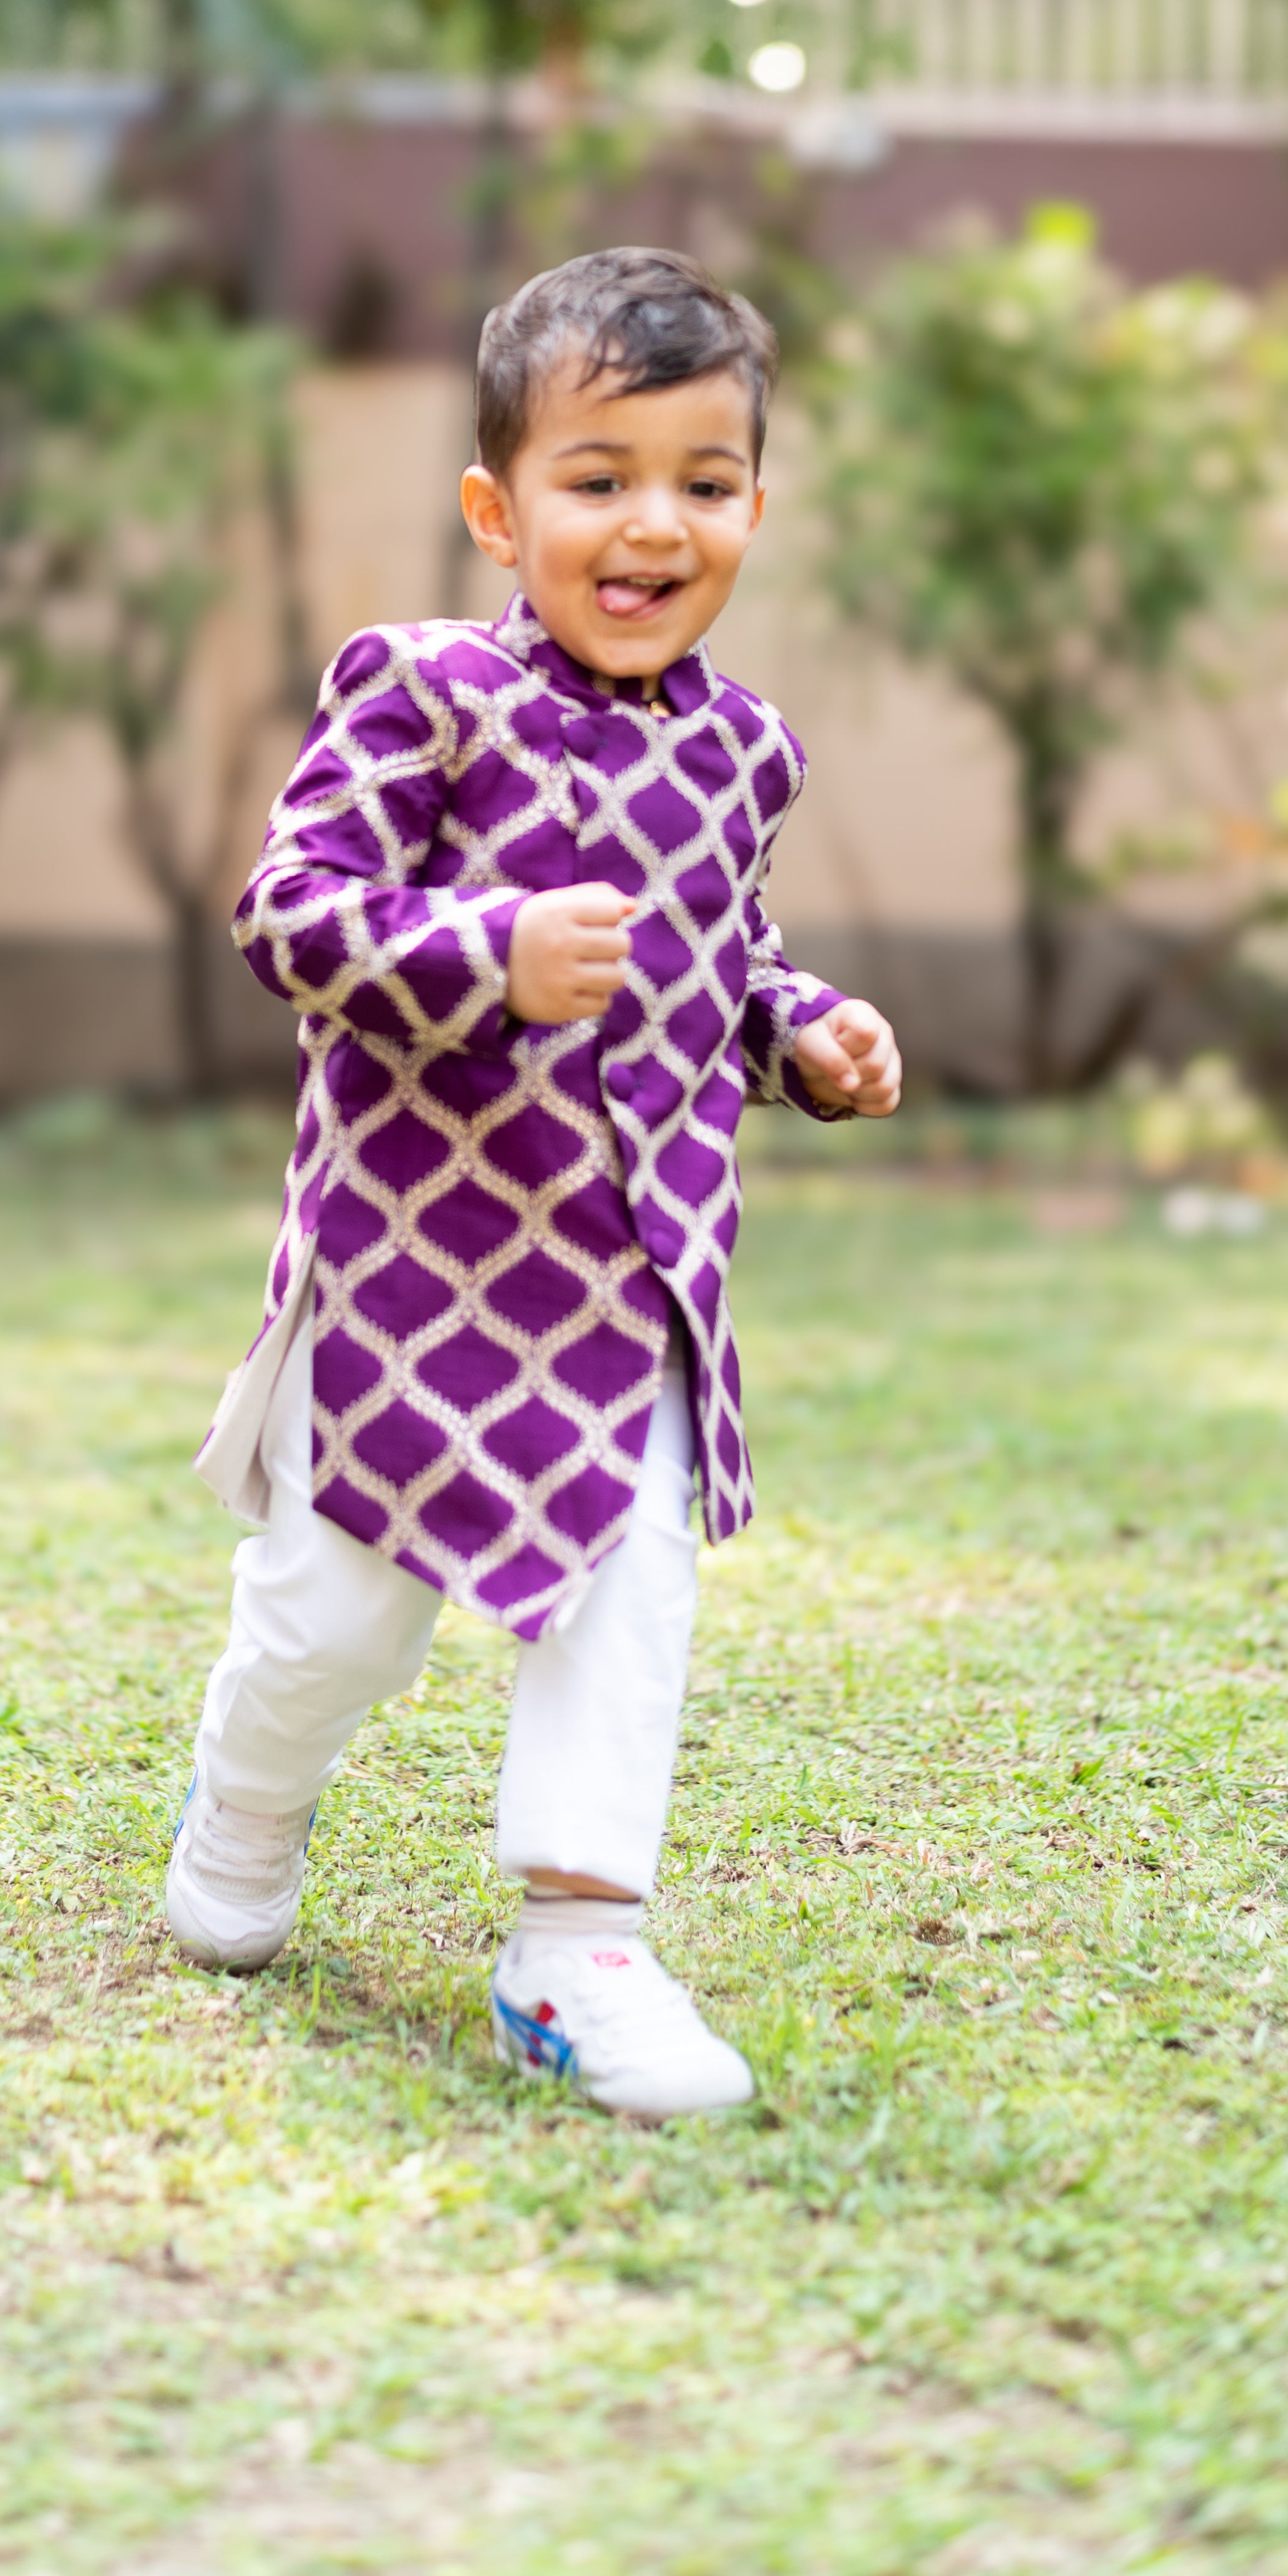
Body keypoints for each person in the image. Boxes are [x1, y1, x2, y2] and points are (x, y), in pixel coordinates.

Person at [166, 246, 902, 2119]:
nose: (653, 524)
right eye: (599, 478)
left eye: (705, 482)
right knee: (338, 1620)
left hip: (629, 1281)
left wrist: (801, 1030)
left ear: (754, 503)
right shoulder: (419, 701)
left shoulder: (745, 757)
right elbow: (290, 915)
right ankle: (249, 1799)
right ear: (500, 512)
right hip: (417, 1274)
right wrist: (485, 952)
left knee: (626, 1588)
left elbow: (720, 959)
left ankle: (578, 1952)